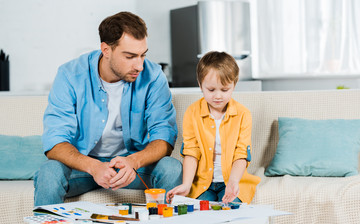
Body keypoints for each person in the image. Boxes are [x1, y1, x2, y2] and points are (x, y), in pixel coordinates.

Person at [34, 11, 182, 206]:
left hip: (130, 165)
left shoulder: (153, 77)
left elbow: (164, 138)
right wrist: (94, 167)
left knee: (172, 168)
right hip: (83, 166)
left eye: (143, 55)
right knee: (49, 172)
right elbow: (55, 142)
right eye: (130, 56)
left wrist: (133, 162)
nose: (139, 65)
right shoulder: (70, 75)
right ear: (106, 50)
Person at [166, 51, 261, 204]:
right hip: (203, 185)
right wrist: (186, 184)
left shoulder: (243, 114)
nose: (218, 96)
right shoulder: (192, 112)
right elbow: (191, 152)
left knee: (232, 210)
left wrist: (233, 182)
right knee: (198, 212)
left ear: (234, 85)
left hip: (232, 181)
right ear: (200, 85)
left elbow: (241, 155)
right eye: (211, 90)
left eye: (224, 90)